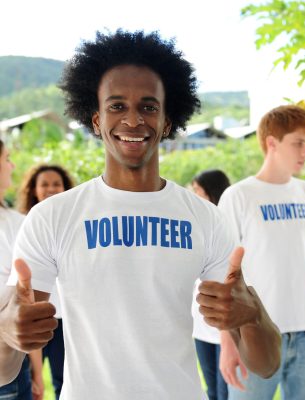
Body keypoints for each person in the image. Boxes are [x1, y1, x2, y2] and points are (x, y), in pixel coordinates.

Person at [0, 30, 281, 400]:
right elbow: (4, 369)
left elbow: (266, 364)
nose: (133, 120)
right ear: (97, 119)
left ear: (167, 121)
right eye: (117, 106)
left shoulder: (206, 219)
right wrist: (7, 330)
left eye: (148, 107)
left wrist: (252, 315)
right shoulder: (53, 217)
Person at [218, 105, 305, 399]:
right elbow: (222, 271)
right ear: (272, 143)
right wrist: (227, 343)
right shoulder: (239, 196)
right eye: (298, 143)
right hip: (254, 333)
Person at [17, 164, 74, 400]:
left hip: (65, 320)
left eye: (56, 184)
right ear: (34, 189)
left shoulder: (74, 224)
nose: (51, 189)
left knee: (65, 381)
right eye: (45, 184)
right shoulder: (22, 225)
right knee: (31, 383)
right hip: (33, 318)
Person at [0, 139, 44, 400]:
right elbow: (27, 304)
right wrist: (37, 371)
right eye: (6, 158)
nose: (12, 165)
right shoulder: (17, 227)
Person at [191, 169, 231, 400]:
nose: (194, 195)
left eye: (198, 191)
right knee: (212, 391)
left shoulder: (226, 224)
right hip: (201, 325)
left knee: (226, 390)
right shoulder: (197, 223)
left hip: (225, 325)